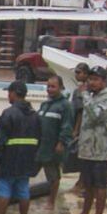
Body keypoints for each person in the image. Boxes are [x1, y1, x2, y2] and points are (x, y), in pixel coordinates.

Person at [0, 80, 42, 214]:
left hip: (9, 159)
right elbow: (40, 138)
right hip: (27, 160)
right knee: (23, 190)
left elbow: (0, 139)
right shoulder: (35, 115)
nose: (8, 96)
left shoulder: (8, 113)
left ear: (14, 93)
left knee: (3, 191)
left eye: (9, 93)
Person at [74, 66, 107, 214]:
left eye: (95, 80)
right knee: (88, 184)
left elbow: (94, 116)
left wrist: (85, 95)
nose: (91, 83)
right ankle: (85, 213)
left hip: (101, 150)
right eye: (90, 79)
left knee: (100, 184)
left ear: (103, 81)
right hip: (88, 149)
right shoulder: (93, 96)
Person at [36, 73, 73, 204]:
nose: (50, 89)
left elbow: (67, 126)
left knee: (53, 175)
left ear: (61, 88)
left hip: (53, 147)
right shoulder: (45, 104)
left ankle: (51, 202)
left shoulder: (65, 106)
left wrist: (61, 143)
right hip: (41, 146)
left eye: (53, 87)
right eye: (48, 86)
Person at [66, 63, 91, 197]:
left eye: (79, 72)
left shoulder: (84, 90)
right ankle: (81, 182)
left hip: (82, 128)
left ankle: (82, 182)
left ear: (86, 74)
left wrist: (76, 130)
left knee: (82, 156)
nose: (77, 75)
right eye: (76, 72)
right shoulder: (80, 89)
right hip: (80, 125)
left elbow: (81, 112)